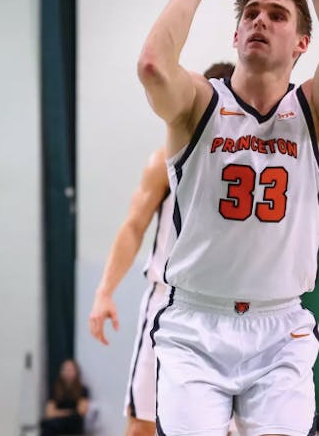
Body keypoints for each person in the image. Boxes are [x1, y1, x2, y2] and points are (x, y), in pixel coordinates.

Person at [136, 0, 319, 435]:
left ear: (302, 42)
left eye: (277, 15)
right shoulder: (199, 104)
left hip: (279, 325)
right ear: (236, 34)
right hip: (195, 323)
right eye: (252, 14)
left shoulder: (314, 113)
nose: (261, 21)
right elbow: (151, 65)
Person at [88, 63, 233, 436]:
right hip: (169, 302)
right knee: (142, 424)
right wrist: (105, 290)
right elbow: (133, 225)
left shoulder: (255, 163)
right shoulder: (166, 161)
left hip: (230, 306)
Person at [40, 359, 90, 436]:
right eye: (65, 370)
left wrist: (58, 412)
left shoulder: (83, 389)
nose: (68, 372)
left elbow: (81, 411)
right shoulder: (55, 389)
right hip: (58, 423)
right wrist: (70, 412)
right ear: (61, 372)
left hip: (74, 423)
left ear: (76, 372)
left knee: (73, 420)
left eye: (70, 370)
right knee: (47, 425)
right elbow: (49, 412)